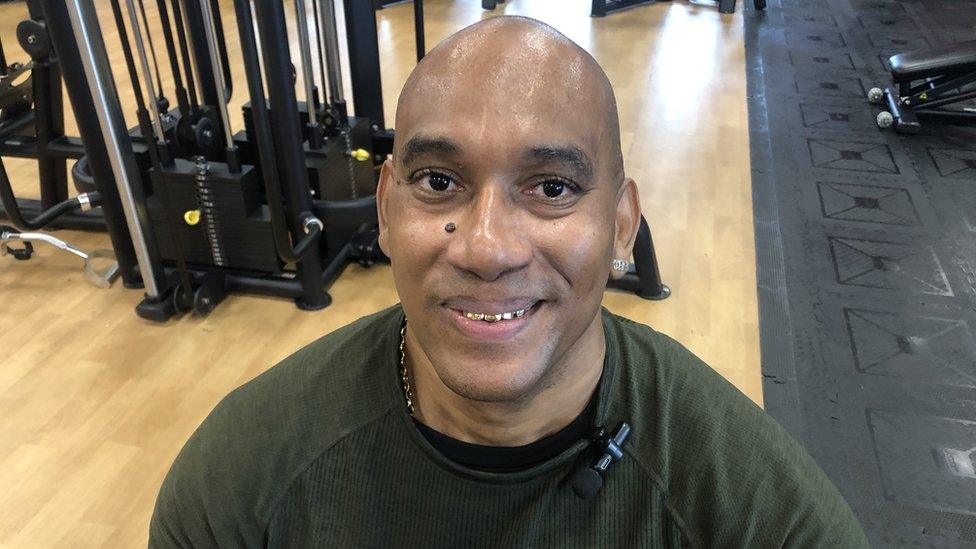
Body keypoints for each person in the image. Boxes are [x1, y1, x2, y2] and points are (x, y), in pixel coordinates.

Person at [149, 16, 868, 548]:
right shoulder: (240, 483)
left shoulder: (751, 508)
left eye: (552, 187)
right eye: (437, 181)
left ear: (621, 225)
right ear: (387, 210)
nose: (487, 248)